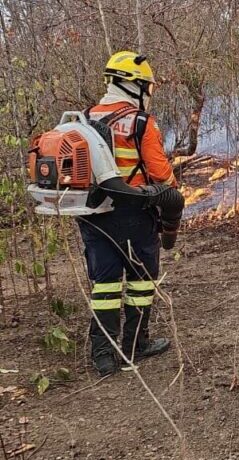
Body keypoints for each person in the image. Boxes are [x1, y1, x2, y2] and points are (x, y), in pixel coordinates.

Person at [80, 51, 177, 377]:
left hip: (93, 214)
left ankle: (103, 354)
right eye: (147, 87)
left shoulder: (83, 117)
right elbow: (162, 175)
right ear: (133, 85)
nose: (148, 93)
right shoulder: (140, 122)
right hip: (134, 212)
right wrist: (171, 199)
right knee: (141, 280)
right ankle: (136, 344)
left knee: (104, 285)